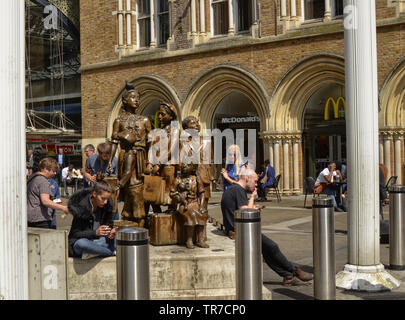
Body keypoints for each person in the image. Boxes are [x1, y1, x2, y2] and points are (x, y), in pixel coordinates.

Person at [220, 166, 313, 286]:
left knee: (267, 250)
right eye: (255, 181)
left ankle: (288, 276)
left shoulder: (235, 189)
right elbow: (246, 212)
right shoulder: (238, 190)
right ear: (247, 178)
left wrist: (252, 205)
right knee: (272, 247)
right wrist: (253, 197)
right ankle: (294, 271)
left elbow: (243, 209)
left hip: (236, 227)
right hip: (239, 230)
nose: (256, 184)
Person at [108, 81, 152, 226]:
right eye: (133, 97)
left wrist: (149, 161)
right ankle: (128, 218)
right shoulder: (118, 120)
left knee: (136, 186)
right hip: (124, 155)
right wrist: (110, 160)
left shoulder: (144, 120)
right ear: (125, 100)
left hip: (139, 155)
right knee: (128, 188)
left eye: (138, 97)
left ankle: (139, 220)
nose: (137, 100)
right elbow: (114, 141)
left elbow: (151, 143)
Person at [67, 181, 118, 259]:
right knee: (81, 244)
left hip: (99, 242)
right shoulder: (82, 208)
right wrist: (95, 233)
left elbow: (108, 225)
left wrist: (110, 232)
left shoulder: (107, 206)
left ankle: (95, 252)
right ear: (94, 194)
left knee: (122, 236)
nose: (105, 202)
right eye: (103, 198)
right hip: (84, 242)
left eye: (107, 199)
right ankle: (110, 252)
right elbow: (75, 234)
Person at [27, 157, 68, 229]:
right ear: (46, 169)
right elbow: (45, 201)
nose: (55, 173)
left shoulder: (32, 178)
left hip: (30, 218)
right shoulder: (43, 181)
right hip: (40, 220)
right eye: (53, 171)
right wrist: (64, 208)